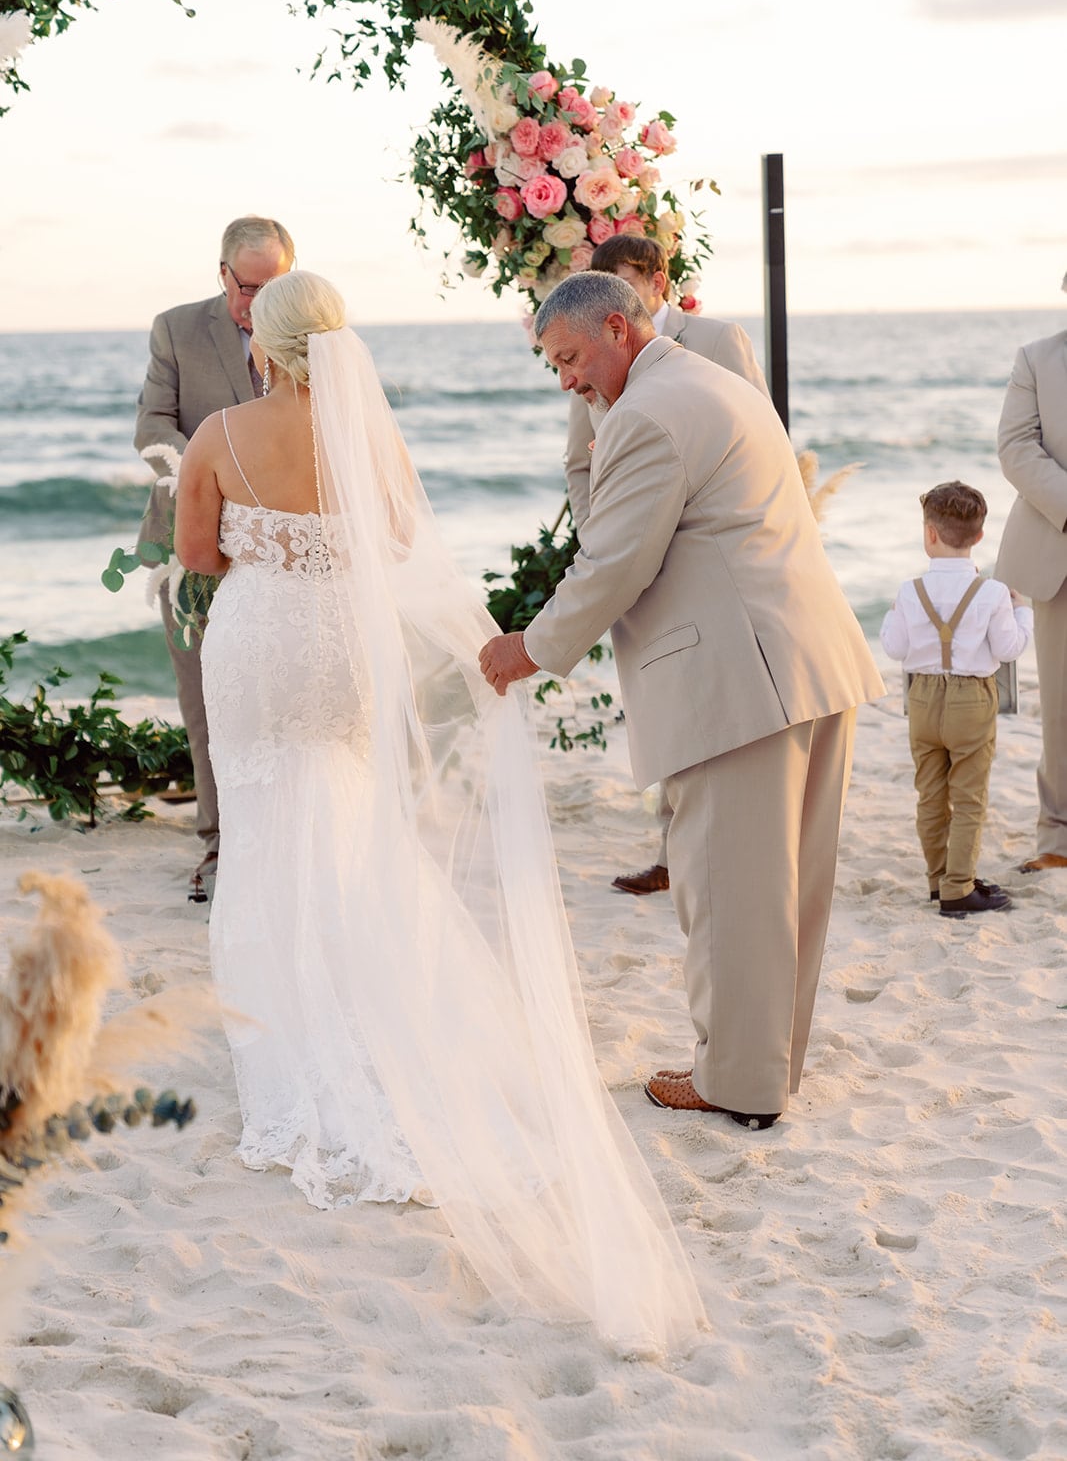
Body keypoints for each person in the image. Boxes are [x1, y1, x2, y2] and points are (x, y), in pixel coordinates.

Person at [173, 271, 704, 1355]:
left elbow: (195, 555)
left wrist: (265, 554)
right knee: (350, 811)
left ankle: (290, 1017)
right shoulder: (371, 441)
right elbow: (407, 546)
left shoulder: (218, 432)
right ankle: (377, 1000)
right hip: (344, 649)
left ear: (260, 344)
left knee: (271, 817)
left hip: (261, 639)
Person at [479, 272, 884, 1130]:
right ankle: (766, 1066)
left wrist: (530, 648)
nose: (565, 381)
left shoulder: (649, 415)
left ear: (619, 328)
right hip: (806, 659)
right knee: (788, 888)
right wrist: (593, 404)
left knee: (727, 890)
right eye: (552, 366)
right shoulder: (705, 383)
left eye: (570, 359)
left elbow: (612, 561)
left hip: (739, 679)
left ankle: (736, 1081)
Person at [567, 235, 772, 897]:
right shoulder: (591, 358)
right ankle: (672, 846)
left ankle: (693, 847)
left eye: (629, 281)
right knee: (668, 706)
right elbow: (580, 460)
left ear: (656, 281)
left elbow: (758, 437)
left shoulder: (714, 345)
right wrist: (601, 529)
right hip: (636, 559)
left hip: (702, 565)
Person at [134, 215, 295, 903]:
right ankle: (220, 845)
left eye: (273, 287)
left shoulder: (308, 328)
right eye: (247, 287)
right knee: (204, 700)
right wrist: (211, 475)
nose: (258, 304)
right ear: (222, 274)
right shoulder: (175, 328)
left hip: (281, 553)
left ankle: (286, 839)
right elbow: (150, 429)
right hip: (191, 545)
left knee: (283, 700)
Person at [880, 482, 1032, 914]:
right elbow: (1007, 649)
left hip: (924, 701)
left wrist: (895, 615)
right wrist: (1022, 613)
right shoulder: (992, 593)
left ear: (929, 533)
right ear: (980, 536)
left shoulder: (910, 592)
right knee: (968, 797)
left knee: (930, 795)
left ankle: (936, 879)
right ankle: (959, 886)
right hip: (971, 702)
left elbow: (894, 648)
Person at [995, 286, 1067, 872]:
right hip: (1058, 548)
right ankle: (1058, 840)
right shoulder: (1037, 359)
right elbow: (1016, 448)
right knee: (1062, 704)